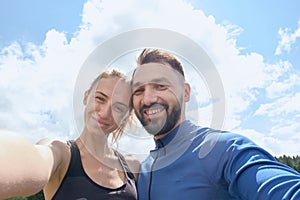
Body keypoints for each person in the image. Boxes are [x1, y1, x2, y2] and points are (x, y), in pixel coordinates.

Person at [131, 48, 300, 200]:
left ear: (186, 92)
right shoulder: (142, 170)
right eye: (139, 91)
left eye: (160, 86)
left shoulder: (224, 149)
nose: (147, 99)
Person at [0, 69, 139, 200]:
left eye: (118, 107)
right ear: (86, 97)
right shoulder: (61, 154)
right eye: (100, 98)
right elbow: (33, 160)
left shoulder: (133, 167)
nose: (105, 113)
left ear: (125, 118)